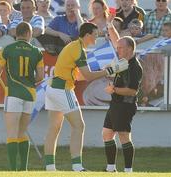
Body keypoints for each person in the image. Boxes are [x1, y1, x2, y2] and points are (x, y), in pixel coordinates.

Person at [44, 21, 127, 171]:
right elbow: (88, 76)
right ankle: (77, 167)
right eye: (95, 35)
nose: (96, 38)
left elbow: (79, 76)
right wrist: (111, 70)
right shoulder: (78, 48)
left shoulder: (74, 46)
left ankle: (50, 168)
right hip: (63, 90)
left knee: (53, 128)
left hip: (53, 89)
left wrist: (107, 70)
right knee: (79, 126)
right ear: (87, 35)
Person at [0, 21, 44, 170]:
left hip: (13, 94)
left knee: (12, 134)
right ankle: (23, 169)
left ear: (16, 33)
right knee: (22, 132)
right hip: (30, 95)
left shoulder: (7, 49)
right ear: (28, 33)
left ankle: (13, 170)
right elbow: (40, 76)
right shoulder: (37, 52)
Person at [102, 36, 143, 172]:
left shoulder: (134, 66)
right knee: (107, 133)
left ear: (130, 49)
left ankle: (128, 171)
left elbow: (132, 91)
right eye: (117, 47)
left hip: (125, 105)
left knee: (124, 136)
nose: (117, 49)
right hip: (115, 104)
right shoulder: (122, 62)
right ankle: (110, 169)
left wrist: (113, 89)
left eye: (120, 47)